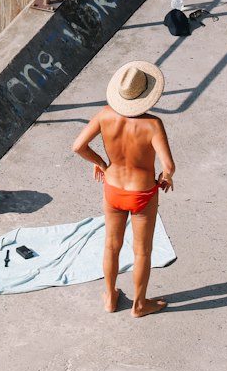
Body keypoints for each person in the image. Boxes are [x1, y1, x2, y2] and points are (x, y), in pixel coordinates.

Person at [72, 60, 175, 317]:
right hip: (142, 193)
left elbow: (78, 146)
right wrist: (166, 177)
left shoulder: (105, 115)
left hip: (113, 187)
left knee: (111, 245)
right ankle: (139, 305)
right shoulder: (152, 125)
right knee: (142, 251)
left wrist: (100, 163)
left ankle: (110, 297)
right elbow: (169, 165)